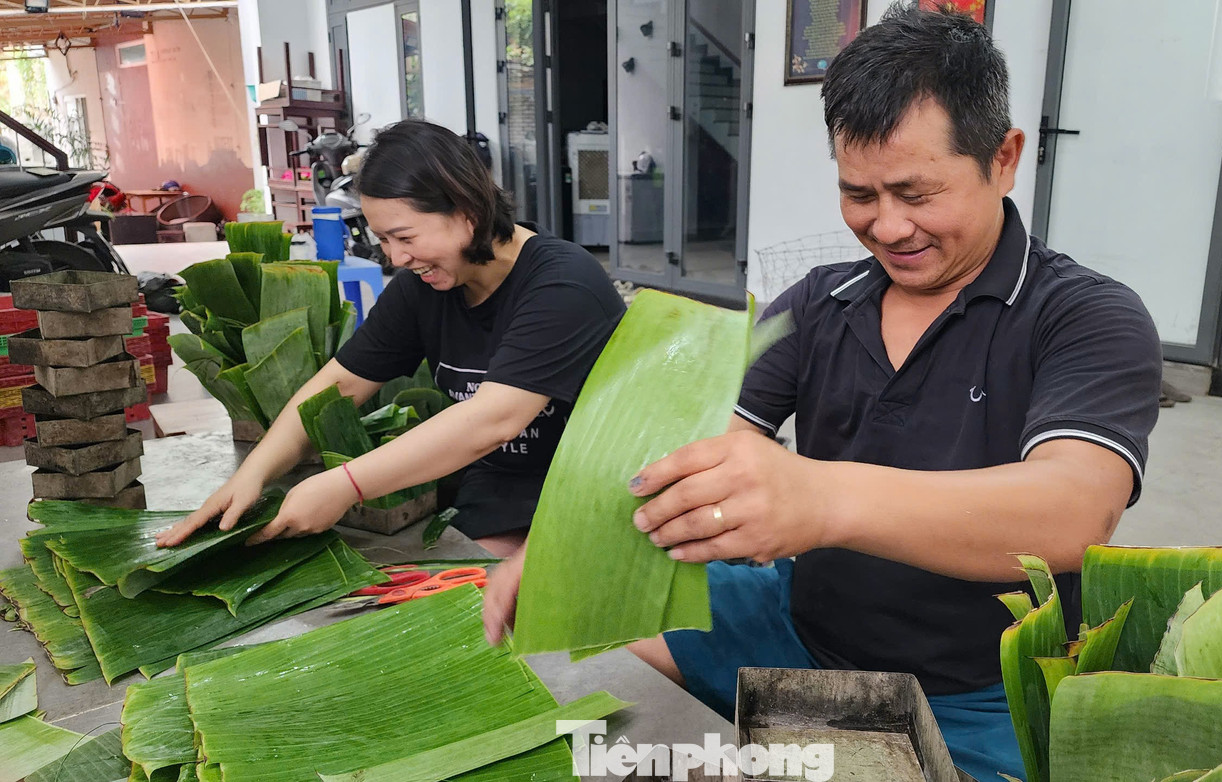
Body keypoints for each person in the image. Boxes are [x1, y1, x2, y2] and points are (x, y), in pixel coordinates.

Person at [483, 7, 1162, 779]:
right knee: (561, 633)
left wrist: (823, 500)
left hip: (975, 690)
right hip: (792, 624)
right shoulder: (819, 301)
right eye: (860, 196)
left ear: (1004, 159)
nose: (889, 227)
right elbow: (706, 442)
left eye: (917, 193)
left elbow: (1073, 508)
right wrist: (560, 546)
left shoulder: (1086, 315)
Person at [158, 119, 625, 557]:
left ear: (468, 214)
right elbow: (338, 386)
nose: (396, 258)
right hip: (499, 484)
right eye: (382, 240)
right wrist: (253, 474)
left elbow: (494, 419)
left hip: (588, 487)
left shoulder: (563, 283)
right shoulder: (425, 287)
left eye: (404, 237)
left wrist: (345, 485)